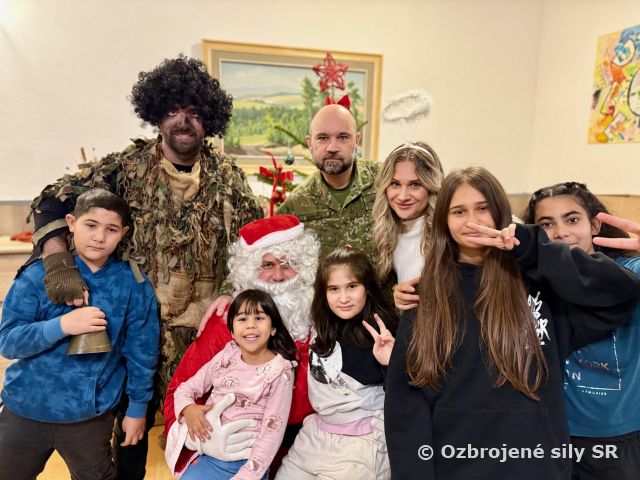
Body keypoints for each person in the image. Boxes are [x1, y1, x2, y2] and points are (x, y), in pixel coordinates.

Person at [28, 56, 262, 478]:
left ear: (209, 119)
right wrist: (58, 261)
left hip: (203, 337)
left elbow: (251, 246)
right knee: (129, 435)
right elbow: (52, 200)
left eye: (194, 112)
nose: (183, 121)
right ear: (156, 114)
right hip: (133, 333)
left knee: (204, 434)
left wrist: (232, 290)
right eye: (173, 110)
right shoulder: (125, 169)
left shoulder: (230, 181)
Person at [384, 167, 640, 480]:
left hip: (537, 465)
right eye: (459, 211)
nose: (473, 220)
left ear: (501, 214)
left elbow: (622, 292)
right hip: (455, 464)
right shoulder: (424, 295)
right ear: (443, 222)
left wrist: (531, 247)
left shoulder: (540, 285)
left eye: (483, 208)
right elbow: (406, 406)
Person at [0, 189, 159, 480]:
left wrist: (137, 408)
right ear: (71, 223)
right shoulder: (37, 276)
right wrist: (62, 326)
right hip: (25, 410)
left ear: (123, 233)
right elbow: (8, 343)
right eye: (91, 225)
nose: (99, 237)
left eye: (111, 229)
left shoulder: (133, 284)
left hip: (90, 417)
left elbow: (142, 352)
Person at [164, 214, 319, 476]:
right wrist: (199, 438)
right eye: (267, 265)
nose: (278, 276)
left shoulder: (322, 319)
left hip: (306, 453)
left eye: (289, 263)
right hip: (228, 457)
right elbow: (179, 390)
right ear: (250, 269)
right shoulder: (224, 322)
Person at [523, 182, 640, 480]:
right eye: (546, 224)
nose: (561, 232)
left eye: (572, 219)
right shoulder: (533, 282)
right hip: (553, 434)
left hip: (621, 438)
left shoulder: (629, 272)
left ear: (595, 225)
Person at [276, 247, 398, 479]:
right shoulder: (320, 325)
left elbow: (407, 398)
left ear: (367, 287)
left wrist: (390, 365)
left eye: (352, 286)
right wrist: (227, 295)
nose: (343, 298)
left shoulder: (383, 332)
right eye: (334, 289)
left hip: (361, 443)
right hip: (314, 438)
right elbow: (275, 299)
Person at [165, 290, 297, 479]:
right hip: (208, 456)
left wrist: (247, 475)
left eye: (259, 318)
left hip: (247, 463)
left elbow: (271, 435)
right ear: (232, 332)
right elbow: (185, 388)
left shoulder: (280, 372)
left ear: (273, 328)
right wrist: (188, 408)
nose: (251, 325)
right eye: (242, 319)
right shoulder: (226, 356)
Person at [276, 103, 379, 259]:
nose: (332, 147)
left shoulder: (386, 180)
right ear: (310, 143)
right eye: (322, 138)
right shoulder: (295, 204)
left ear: (356, 140)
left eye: (343, 137)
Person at [372, 141, 444, 310]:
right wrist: (398, 295)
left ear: (431, 187)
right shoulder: (388, 230)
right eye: (395, 184)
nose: (403, 196)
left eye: (415, 185)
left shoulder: (447, 230)